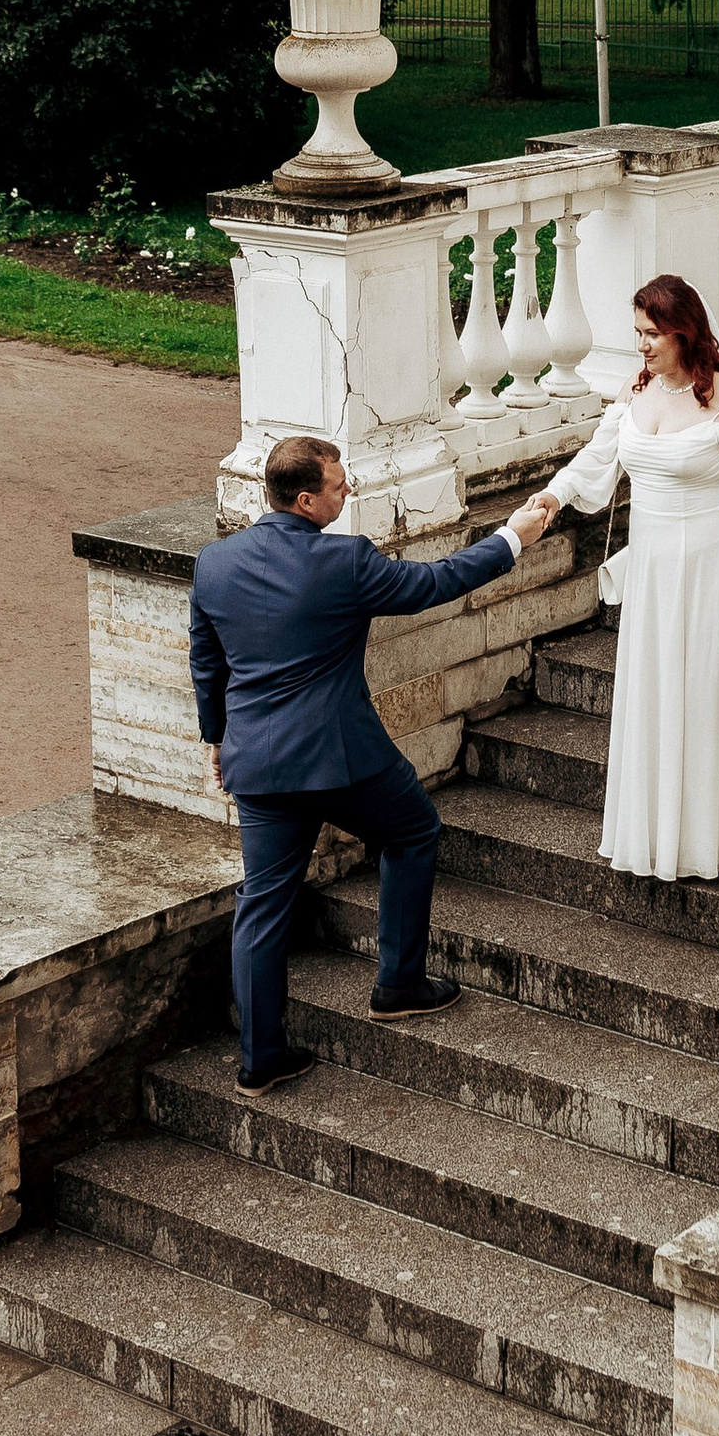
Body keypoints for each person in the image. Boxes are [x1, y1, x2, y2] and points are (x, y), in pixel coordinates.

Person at [190, 435, 558, 1095]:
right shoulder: (344, 561)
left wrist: (217, 736)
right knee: (413, 831)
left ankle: (260, 1061)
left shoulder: (214, 564)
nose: (347, 492)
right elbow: (436, 582)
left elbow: (206, 658)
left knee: (263, 905)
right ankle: (398, 984)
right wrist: (513, 537)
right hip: (342, 758)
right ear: (306, 501)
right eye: (338, 486)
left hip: (259, 762)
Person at [541, 275, 719, 881]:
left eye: (651, 334)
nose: (641, 345)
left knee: (705, 696)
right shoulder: (635, 391)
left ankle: (711, 838)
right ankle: (654, 832)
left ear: (684, 334)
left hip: (715, 570)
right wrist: (553, 495)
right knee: (655, 693)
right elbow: (597, 458)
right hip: (654, 571)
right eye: (637, 332)